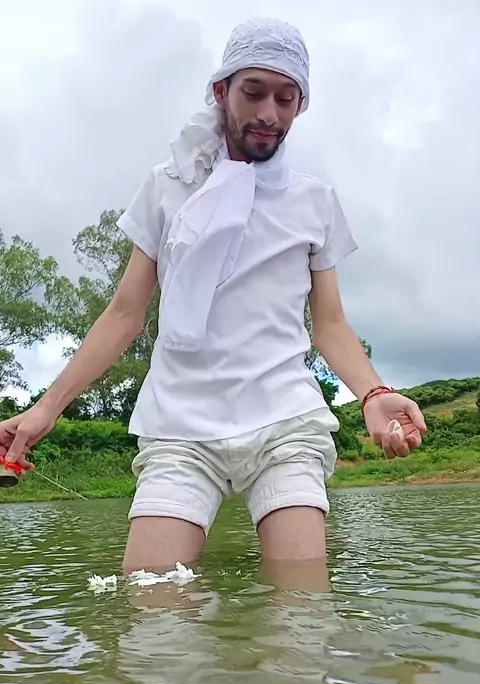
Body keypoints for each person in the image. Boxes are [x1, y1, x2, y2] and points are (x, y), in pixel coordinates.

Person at [0, 18, 426, 571]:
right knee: (153, 602)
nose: (269, 113)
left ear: (300, 105)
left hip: (284, 421)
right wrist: (45, 408)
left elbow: (330, 326)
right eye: (254, 92)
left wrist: (373, 394)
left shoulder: (314, 202)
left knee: (300, 607)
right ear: (221, 91)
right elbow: (125, 314)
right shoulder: (167, 186)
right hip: (179, 423)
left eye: (286, 98)